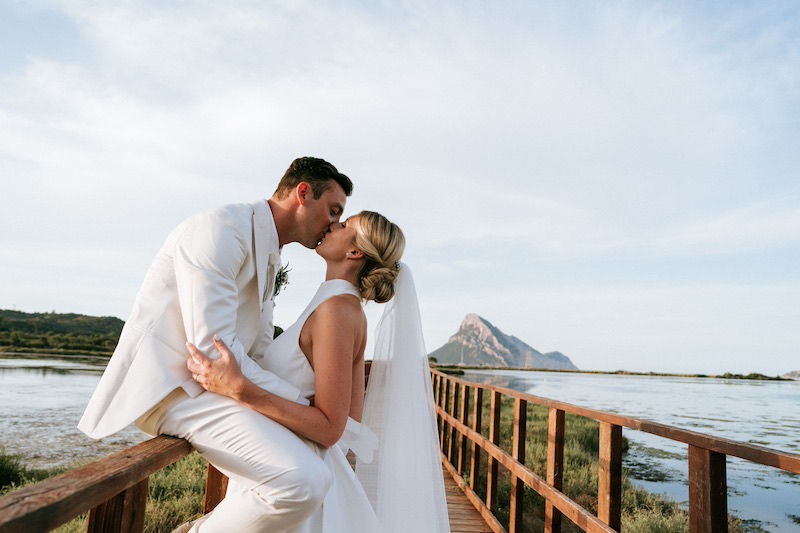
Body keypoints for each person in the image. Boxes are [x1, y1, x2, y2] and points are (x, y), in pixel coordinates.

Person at [78, 156, 353, 531]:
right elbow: (213, 352)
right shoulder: (221, 230)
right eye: (333, 210)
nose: (334, 224)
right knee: (302, 483)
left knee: (317, 464)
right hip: (178, 388)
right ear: (303, 193)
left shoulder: (270, 251)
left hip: (213, 390)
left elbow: (253, 351)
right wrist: (301, 404)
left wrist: (288, 405)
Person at [186, 211, 450, 532]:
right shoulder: (338, 305)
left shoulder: (337, 310)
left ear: (355, 252)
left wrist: (240, 389)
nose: (332, 225)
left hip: (300, 480)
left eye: (344, 225)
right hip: (297, 465)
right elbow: (351, 418)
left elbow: (330, 429)